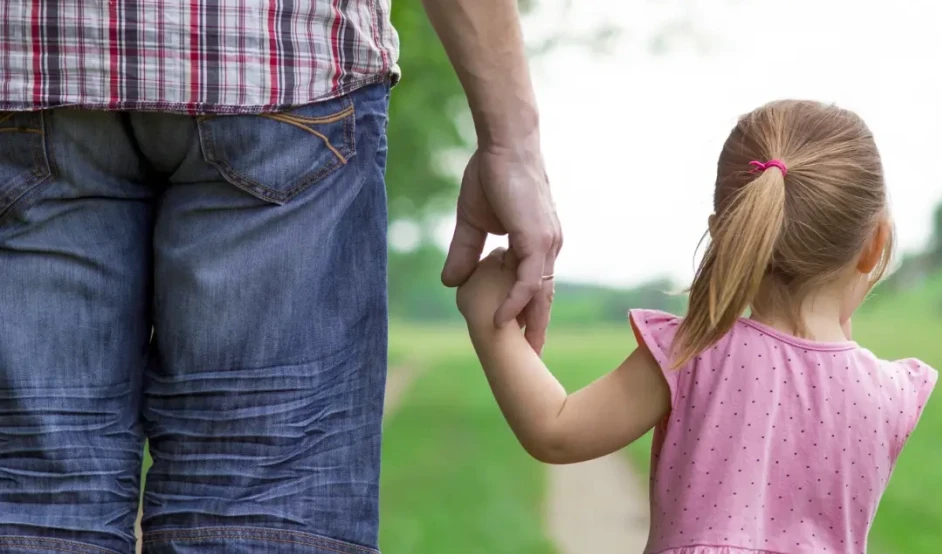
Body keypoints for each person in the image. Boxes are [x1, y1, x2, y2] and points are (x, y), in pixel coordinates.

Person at [0, 0, 559, 552]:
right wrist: (511, 142)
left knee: (28, 503)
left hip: (29, 67)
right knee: (262, 510)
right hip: (278, 64)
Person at [456, 100, 938, 554]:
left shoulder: (696, 354)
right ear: (875, 244)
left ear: (727, 235)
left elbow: (556, 430)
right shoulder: (890, 392)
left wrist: (490, 321)